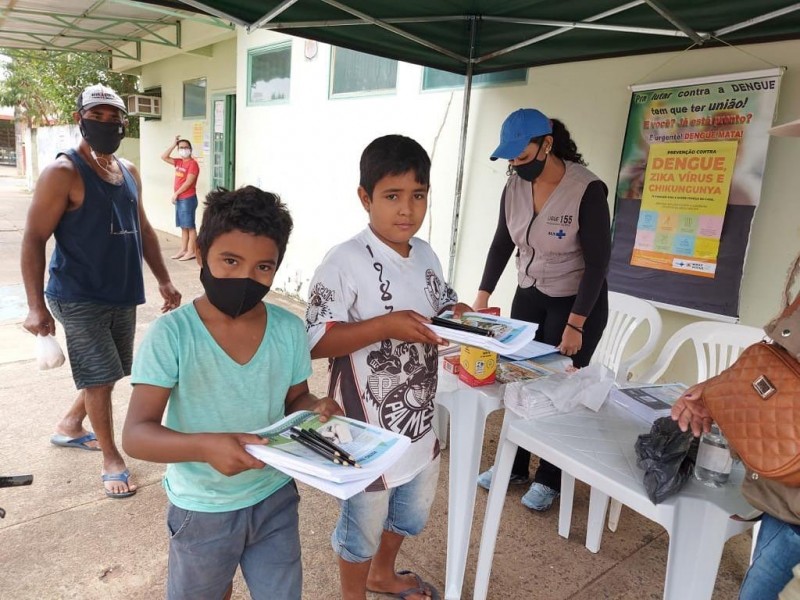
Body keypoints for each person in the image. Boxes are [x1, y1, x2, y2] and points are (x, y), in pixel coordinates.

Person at [122, 185, 341, 599]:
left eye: (263, 267)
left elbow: (295, 399)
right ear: (202, 253)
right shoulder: (173, 335)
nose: (245, 277)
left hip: (274, 495)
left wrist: (316, 407)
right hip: (202, 508)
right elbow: (136, 435)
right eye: (230, 260)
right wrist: (207, 447)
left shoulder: (288, 329)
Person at [306, 134, 471, 600]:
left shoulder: (425, 253)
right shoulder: (344, 261)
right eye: (393, 196)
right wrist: (385, 326)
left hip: (418, 419)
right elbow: (316, 340)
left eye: (418, 196)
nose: (407, 210)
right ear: (366, 198)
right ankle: (353, 593)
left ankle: (384, 573)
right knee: (363, 521)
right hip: (365, 429)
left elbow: (443, 304)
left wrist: (466, 318)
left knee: (410, 510)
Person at [20, 83, 182, 499]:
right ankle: (111, 458)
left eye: (114, 119)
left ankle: (70, 426)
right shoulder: (63, 172)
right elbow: (34, 238)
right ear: (81, 119)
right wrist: (36, 306)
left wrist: (163, 278)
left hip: (121, 291)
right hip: (77, 293)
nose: (107, 125)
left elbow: (144, 228)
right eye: (98, 117)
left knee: (108, 374)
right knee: (100, 379)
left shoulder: (128, 170)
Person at [474, 108, 611, 511]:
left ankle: (549, 478)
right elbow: (503, 243)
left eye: (522, 156)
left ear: (546, 144)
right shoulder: (514, 187)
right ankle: (513, 464)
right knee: (520, 379)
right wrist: (482, 295)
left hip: (577, 302)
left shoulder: (586, 189)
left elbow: (599, 262)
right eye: (511, 159)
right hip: (530, 294)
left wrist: (576, 325)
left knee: (558, 389)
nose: (516, 165)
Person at [161, 135, 200, 260]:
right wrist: (173, 144)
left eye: (186, 147)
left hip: (187, 198)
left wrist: (176, 193)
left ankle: (191, 251)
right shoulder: (179, 162)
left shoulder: (193, 164)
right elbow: (164, 157)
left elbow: (189, 182)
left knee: (190, 226)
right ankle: (183, 250)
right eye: (181, 147)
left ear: (190, 149)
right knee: (184, 226)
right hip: (180, 199)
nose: (184, 149)